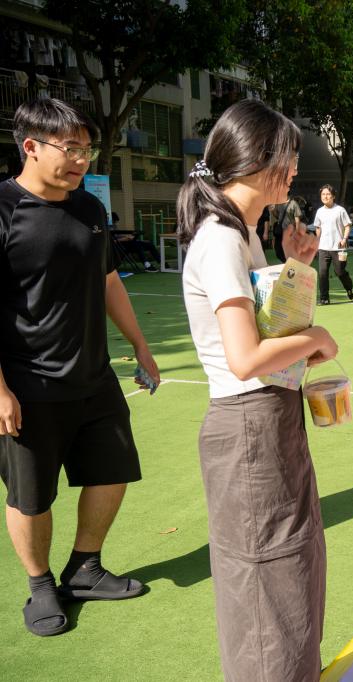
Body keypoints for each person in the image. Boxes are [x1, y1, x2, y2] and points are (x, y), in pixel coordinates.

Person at [178, 99, 337, 681]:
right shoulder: (220, 237)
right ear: (257, 160)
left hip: (270, 416)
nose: (295, 170)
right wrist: (317, 338)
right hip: (248, 422)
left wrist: (295, 265)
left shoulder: (243, 231)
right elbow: (245, 358)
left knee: (290, 567)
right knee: (267, 578)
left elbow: (269, 326)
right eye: (288, 158)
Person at [0, 98, 160, 637]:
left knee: (113, 472)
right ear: (31, 146)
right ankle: (41, 584)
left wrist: (139, 345)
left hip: (94, 377)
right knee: (31, 496)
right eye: (70, 148)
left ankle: (84, 568)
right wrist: (0, 391)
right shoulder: (3, 209)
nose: (81, 160)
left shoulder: (89, 208)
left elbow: (109, 280)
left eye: (87, 150)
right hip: (28, 384)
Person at [312, 184, 353, 305]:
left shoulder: (340, 210)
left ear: (333, 196)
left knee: (340, 272)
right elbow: (318, 227)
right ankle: (324, 298)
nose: (325, 196)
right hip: (323, 248)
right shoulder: (319, 211)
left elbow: (347, 226)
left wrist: (344, 239)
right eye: (323, 194)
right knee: (322, 273)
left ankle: (349, 288)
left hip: (339, 248)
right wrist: (317, 241)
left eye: (328, 194)